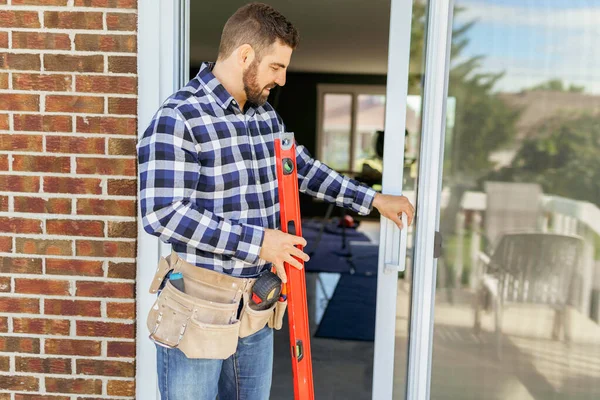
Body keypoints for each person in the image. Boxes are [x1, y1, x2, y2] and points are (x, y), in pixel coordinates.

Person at [137, 3, 415, 399]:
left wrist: (372, 199)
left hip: (256, 306)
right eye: (276, 67)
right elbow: (163, 214)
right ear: (245, 54)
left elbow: (301, 170)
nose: (282, 80)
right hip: (199, 307)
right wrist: (259, 242)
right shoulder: (180, 117)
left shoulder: (264, 117)